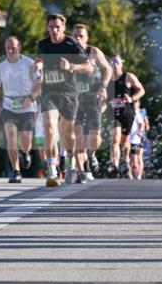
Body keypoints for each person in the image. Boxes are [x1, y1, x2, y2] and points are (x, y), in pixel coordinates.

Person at [31, 12, 92, 186]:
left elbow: (89, 67)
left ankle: (70, 161)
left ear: (63, 27)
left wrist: (71, 66)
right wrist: (38, 65)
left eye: (58, 27)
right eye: (51, 27)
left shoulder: (72, 44)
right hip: (49, 92)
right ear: (47, 27)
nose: (54, 30)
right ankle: (52, 168)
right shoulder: (43, 44)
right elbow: (39, 59)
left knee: (67, 133)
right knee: (49, 126)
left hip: (69, 93)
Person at [70, 24, 112, 182]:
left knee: (94, 136)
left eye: (81, 35)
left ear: (87, 38)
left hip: (93, 98)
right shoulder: (67, 54)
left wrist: (103, 87)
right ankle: (81, 171)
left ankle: (92, 154)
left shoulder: (93, 52)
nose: (78, 38)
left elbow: (108, 69)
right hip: (75, 101)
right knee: (78, 136)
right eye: (75, 35)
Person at [0, 36, 36, 184]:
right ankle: (16, 171)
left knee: (26, 140)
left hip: (27, 106)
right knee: (11, 138)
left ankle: (25, 152)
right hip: (9, 106)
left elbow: (39, 82)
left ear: (20, 48)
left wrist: (31, 97)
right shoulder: (2, 66)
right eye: (8, 48)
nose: (10, 50)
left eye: (13, 47)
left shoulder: (29, 63)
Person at [106, 56, 145, 178]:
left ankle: (126, 160)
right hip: (113, 113)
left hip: (127, 114)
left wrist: (132, 98)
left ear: (121, 64)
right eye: (112, 62)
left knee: (125, 142)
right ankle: (114, 166)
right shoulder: (107, 79)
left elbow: (141, 90)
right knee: (115, 139)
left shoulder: (128, 77)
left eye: (116, 62)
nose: (114, 64)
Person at [129, 100, 150, 180]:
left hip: (140, 138)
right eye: (133, 102)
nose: (134, 104)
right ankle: (133, 173)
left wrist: (142, 131)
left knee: (139, 157)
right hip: (132, 138)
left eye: (136, 102)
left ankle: (139, 175)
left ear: (139, 103)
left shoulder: (141, 112)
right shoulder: (130, 112)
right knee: (133, 158)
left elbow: (145, 123)